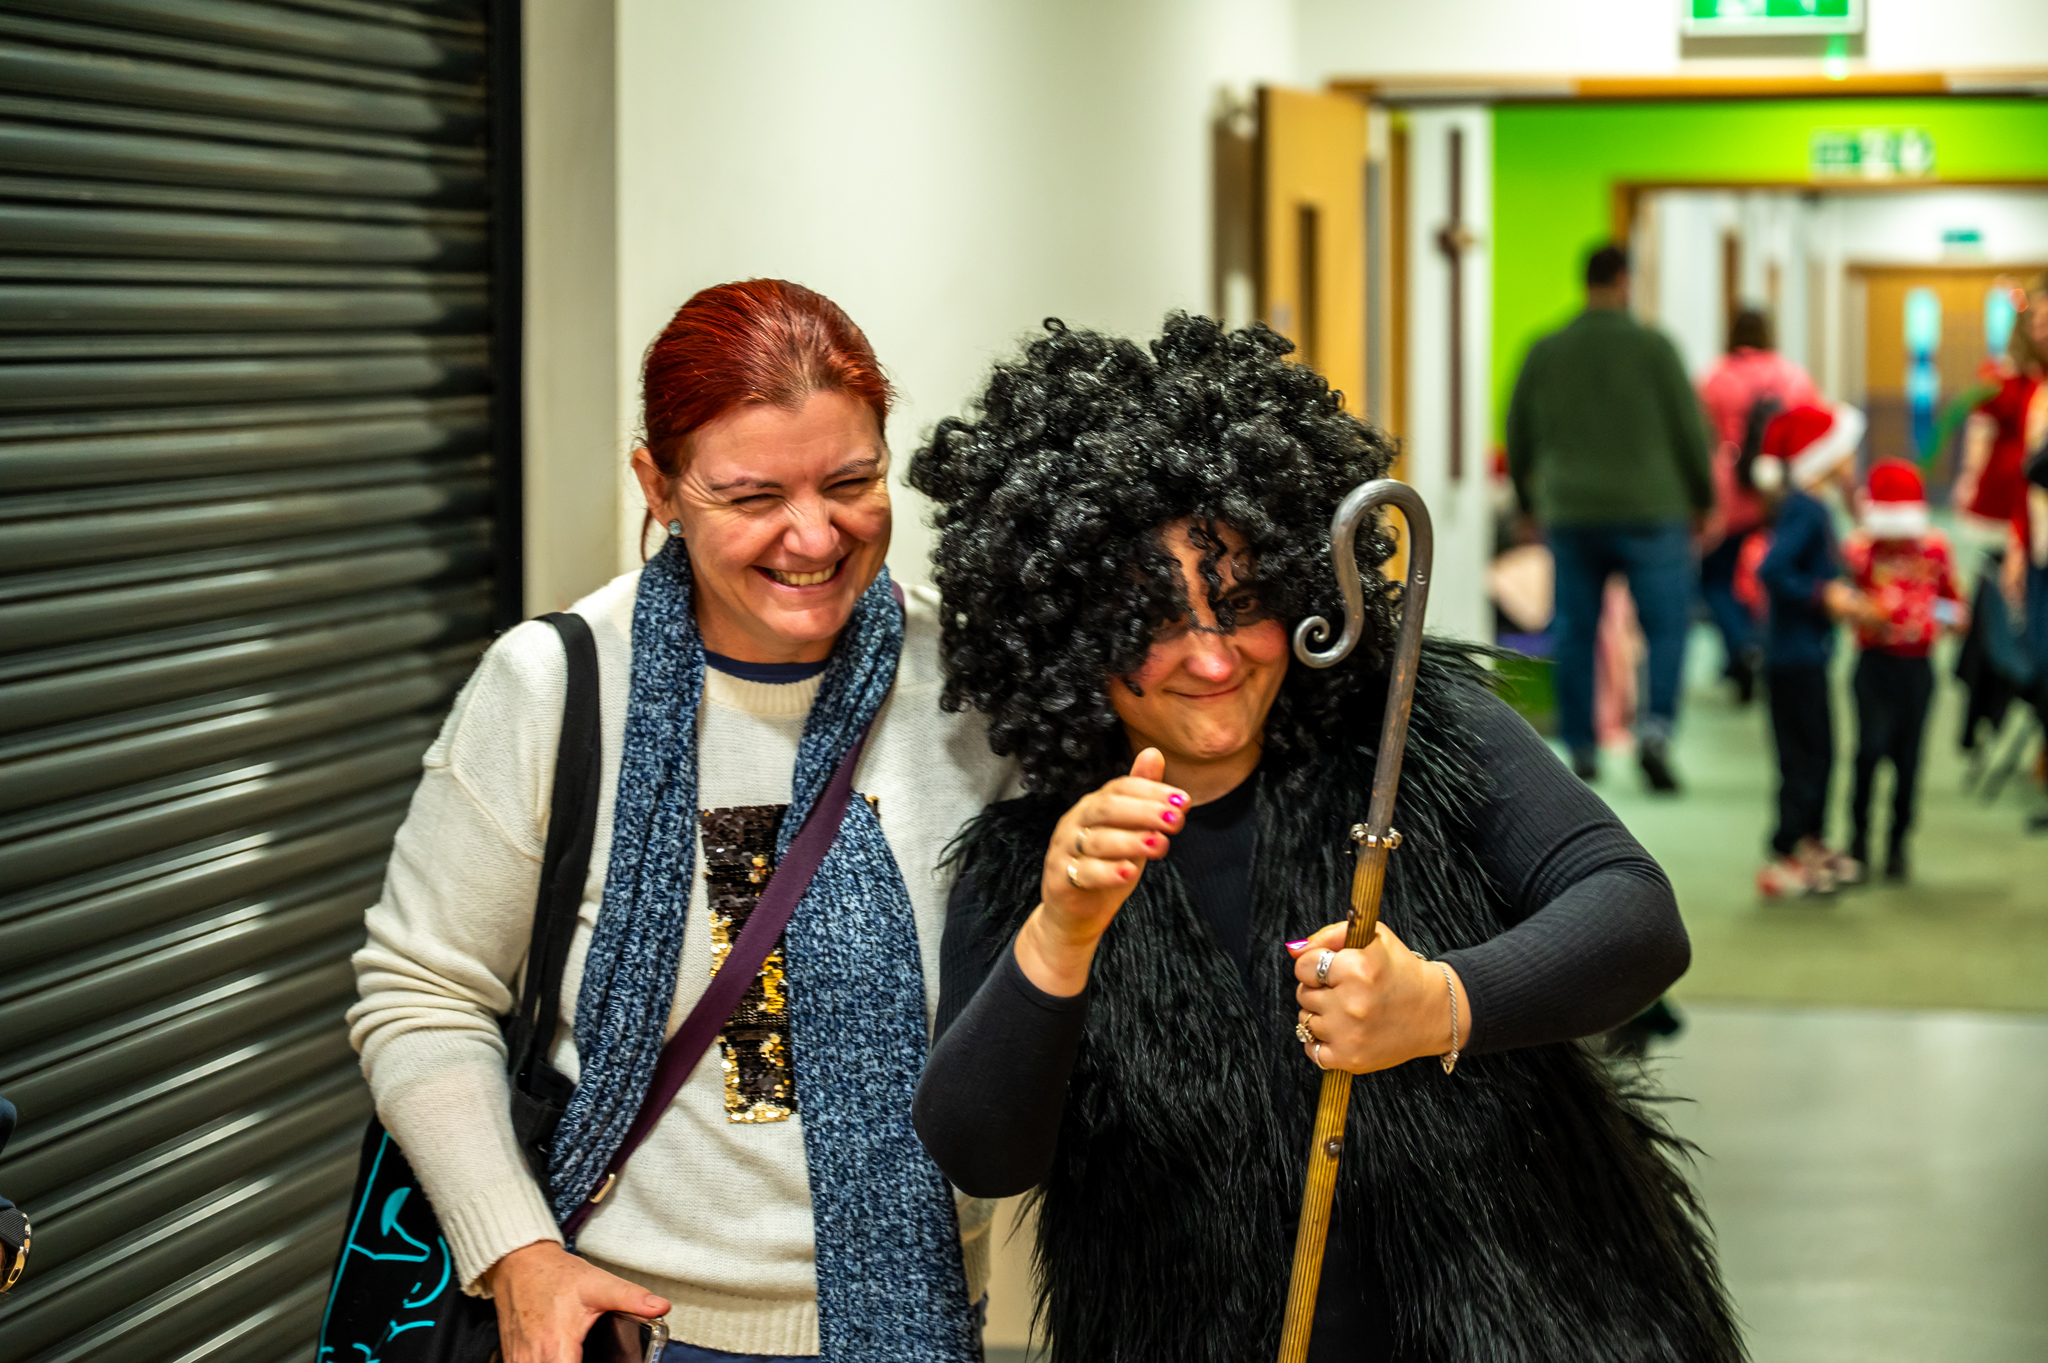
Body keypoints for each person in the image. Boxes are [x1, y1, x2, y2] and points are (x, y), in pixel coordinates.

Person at [907, 316, 1741, 1363]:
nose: (1213, 659)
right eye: (1151, 619)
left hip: (1533, 1318)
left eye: (1244, 602)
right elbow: (982, 1152)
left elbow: (1633, 913)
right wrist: (1059, 935)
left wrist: (1440, 1003)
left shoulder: (1409, 733)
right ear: (1065, 632)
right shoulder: (1041, 855)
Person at [348, 281, 1013, 1363]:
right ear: (658, 486)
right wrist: (517, 1254)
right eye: (753, 495)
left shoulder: (977, 693)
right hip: (632, 1332)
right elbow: (422, 992)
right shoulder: (557, 686)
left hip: (926, 1323)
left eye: (852, 482)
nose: (815, 534)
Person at [1507, 243, 1715, 790]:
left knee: (1576, 628)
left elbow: (1518, 431)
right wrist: (1702, 499)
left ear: (1586, 281)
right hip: (1653, 509)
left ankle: (1582, 746)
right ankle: (1655, 731)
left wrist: (1528, 503)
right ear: (1625, 280)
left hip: (1573, 512)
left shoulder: (1547, 350)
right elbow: (1690, 431)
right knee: (1665, 625)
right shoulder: (1655, 347)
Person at [1753, 402, 1867, 898]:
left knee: (1817, 752)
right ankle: (1786, 851)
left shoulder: (1811, 504)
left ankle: (1810, 842)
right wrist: (1825, 595)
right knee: (1806, 756)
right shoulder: (1807, 507)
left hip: (1802, 654)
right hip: (1793, 657)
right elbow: (1774, 569)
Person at [1841, 459, 1967, 881]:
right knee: (1868, 751)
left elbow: (1952, 602)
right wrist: (1864, 611)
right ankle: (1858, 841)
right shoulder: (1859, 550)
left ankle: (1898, 844)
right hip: (1873, 663)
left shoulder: (1935, 549)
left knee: (1908, 758)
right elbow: (1842, 597)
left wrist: (1941, 617)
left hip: (1918, 666)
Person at [1697, 307, 1821, 703]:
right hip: (1780, 493)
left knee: (1717, 578)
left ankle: (1741, 645)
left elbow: (1701, 437)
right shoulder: (1793, 376)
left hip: (1729, 494)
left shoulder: (1715, 379)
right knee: (1769, 574)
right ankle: (1763, 644)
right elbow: (1812, 429)